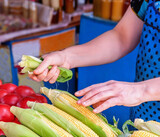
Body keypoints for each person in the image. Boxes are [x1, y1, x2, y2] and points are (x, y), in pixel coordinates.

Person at [30, 0, 160, 122]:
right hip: (142, 117)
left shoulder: (140, 92)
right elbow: (121, 37)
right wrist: (66, 57)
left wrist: (142, 90)